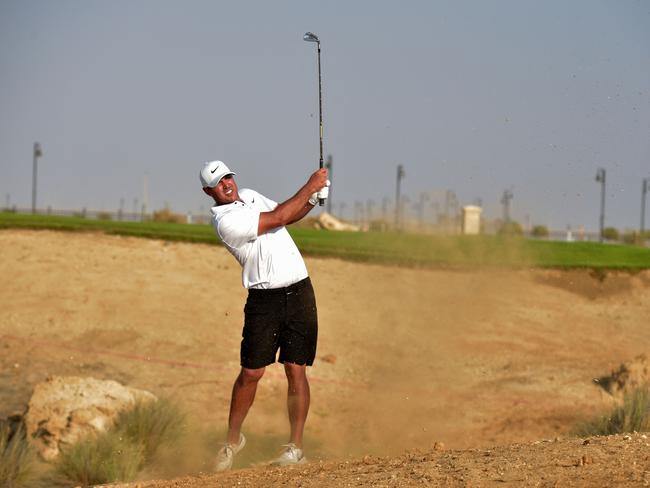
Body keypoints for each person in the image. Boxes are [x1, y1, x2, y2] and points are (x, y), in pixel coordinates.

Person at [199, 160, 329, 471]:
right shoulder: (224, 220)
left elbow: (290, 216)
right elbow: (278, 217)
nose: (227, 184)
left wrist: (313, 199)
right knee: (251, 373)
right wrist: (310, 185)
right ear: (208, 191)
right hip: (264, 300)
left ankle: (295, 447)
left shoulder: (251, 195)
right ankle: (232, 442)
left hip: (299, 291)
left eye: (228, 176)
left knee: (296, 369)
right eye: (219, 183)